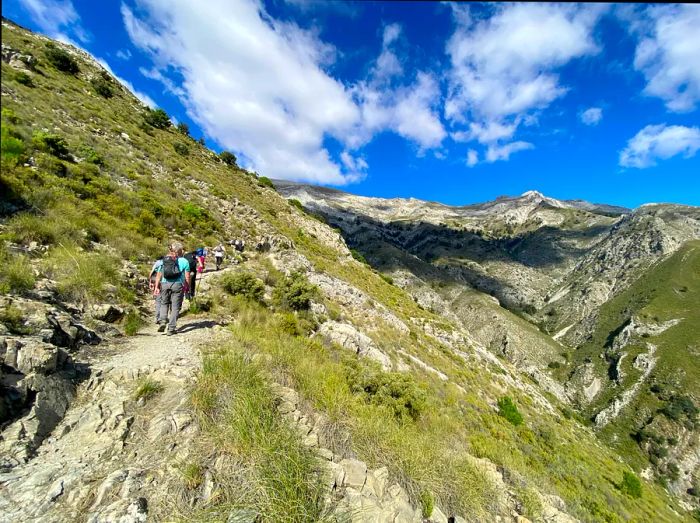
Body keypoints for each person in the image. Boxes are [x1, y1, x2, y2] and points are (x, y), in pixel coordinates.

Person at [154, 241, 191, 335]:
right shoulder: (184, 261)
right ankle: (171, 329)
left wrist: (156, 287)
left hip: (164, 284)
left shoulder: (164, 260)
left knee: (164, 303)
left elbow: (159, 275)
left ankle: (162, 321)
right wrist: (187, 287)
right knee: (175, 307)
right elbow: (187, 277)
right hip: (178, 284)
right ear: (180, 251)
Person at [148, 257, 163, 323]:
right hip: (164, 281)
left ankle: (157, 317)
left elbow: (151, 273)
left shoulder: (157, 262)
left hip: (155, 279)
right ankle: (162, 317)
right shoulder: (167, 262)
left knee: (158, 300)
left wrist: (150, 282)